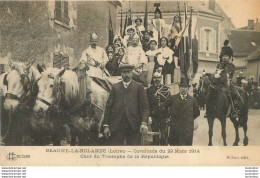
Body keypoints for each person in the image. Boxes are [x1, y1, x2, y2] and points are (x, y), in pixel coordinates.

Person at [102, 64, 150, 145]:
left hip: (134, 125)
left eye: (128, 72)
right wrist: (106, 125)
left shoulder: (139, 87)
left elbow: (145, 107)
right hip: (117, 125)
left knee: (133, 151)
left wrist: (144, 123)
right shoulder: (115, 87)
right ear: (121, 73)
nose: (126, 75)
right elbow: (108, 107)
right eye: (124, 72)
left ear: (132, 73)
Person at [163, 77, 200, 146]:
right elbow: (164, 107)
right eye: (182, 87)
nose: (183, 89)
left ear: (188, 88)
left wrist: (189, 119)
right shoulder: (173, 98)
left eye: (185, 87)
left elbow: (197, 113)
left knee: (186, 150)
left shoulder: (192, 100)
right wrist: (168, 117)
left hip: (187, 129)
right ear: (179, 88)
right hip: (175, 129)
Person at [146, 72, 171, 145]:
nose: (157, 79)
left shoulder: (166, 88)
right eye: (155, 77)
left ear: (161, 78)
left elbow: (170, 102)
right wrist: (149, 116)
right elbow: (147, 104)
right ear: (153, 79)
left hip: (164, 115)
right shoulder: (149, 90)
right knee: (155, 136)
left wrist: (169, 116)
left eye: (158, 77)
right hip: (154, 116)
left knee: (164, 136)